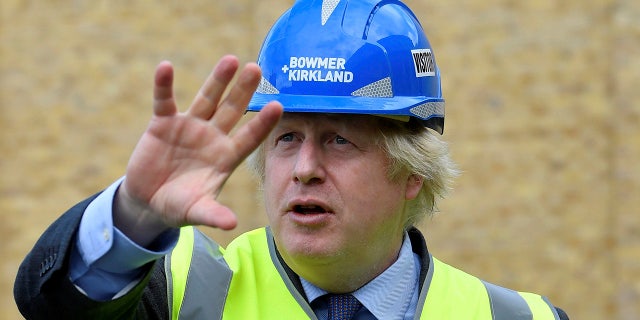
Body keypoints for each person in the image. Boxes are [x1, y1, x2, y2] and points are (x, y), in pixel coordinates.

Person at [14, 0, 569, 319]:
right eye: (285, 138)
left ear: (413, 171)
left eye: (338, 140)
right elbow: (52, 309)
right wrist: (135, 212)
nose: (304, 167)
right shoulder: (184, 290)